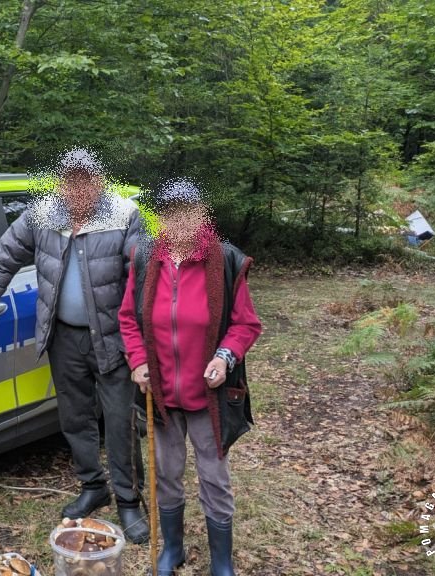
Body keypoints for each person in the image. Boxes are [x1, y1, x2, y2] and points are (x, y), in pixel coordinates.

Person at [0, 148, 151, 543]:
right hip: (62, 336)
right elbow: (4, 256)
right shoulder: (42, 213)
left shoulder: (124, 215)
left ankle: (129, 499)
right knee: (74, 417)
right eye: (71, 179)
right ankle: (92, 486)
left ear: (99, 181)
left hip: (113, 338)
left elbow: (144, 276)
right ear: (61, 182)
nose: (78, 187)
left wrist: (146, 343)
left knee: (119, 420)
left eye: (86, 179)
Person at [118, 179, 262, 575]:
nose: (179, 220)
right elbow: (128, 318)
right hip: (162, 392)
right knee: (166, 473)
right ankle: (173, 549)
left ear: (202, 215)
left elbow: (246, 324)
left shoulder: (225, 260)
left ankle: (221, 562)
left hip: (208, 395)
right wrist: (138, 361)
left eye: (188, 212)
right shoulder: (146, 258)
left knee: (214, 477)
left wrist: (225, 357)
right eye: (170, 213)